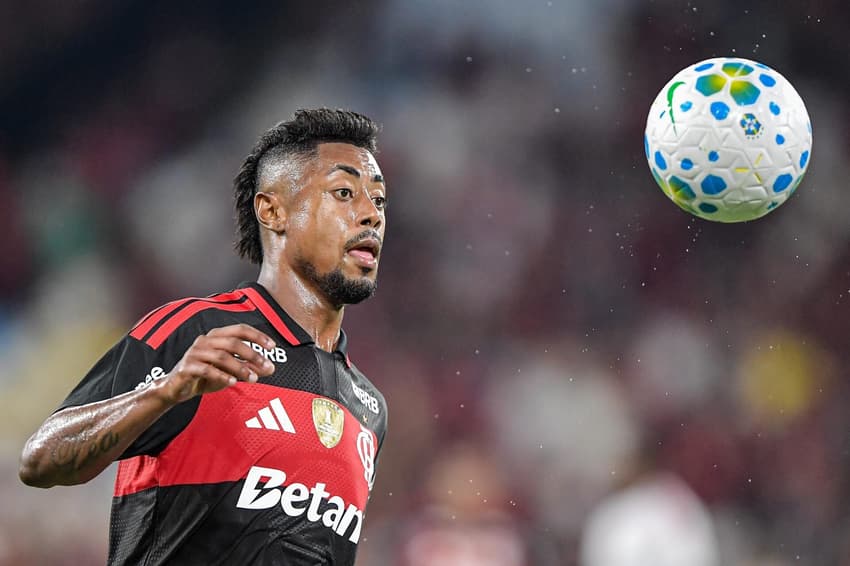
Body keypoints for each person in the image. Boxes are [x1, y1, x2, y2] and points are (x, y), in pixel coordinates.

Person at [18, 108, 389, 566]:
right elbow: (40, 460)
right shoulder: (196, 331)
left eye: (379, 200)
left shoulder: (368, 409)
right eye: (344, 192)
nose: (370, 214)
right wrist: (165, 390)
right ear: (273, 211)